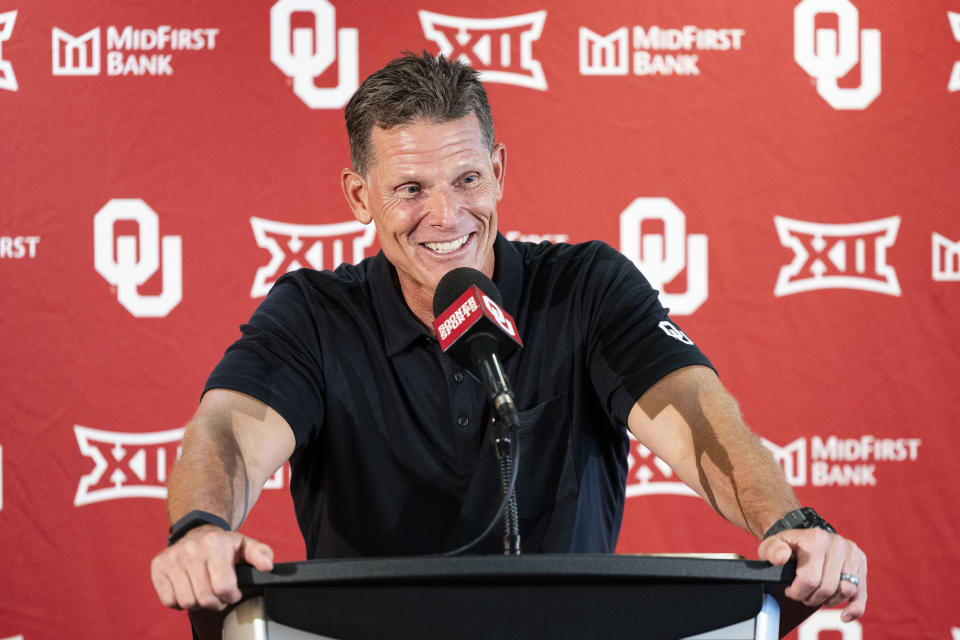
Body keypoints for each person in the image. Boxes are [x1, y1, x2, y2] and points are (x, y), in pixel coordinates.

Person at [150, 52, 867, 623]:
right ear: (358, 197)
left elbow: (697, 416)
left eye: (467, 179)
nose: (446, 216)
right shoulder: (314, 311)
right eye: (410, 190)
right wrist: (203, 528)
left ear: (498, 172)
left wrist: (792, 521)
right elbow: (228, 432)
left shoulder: (585, 286)